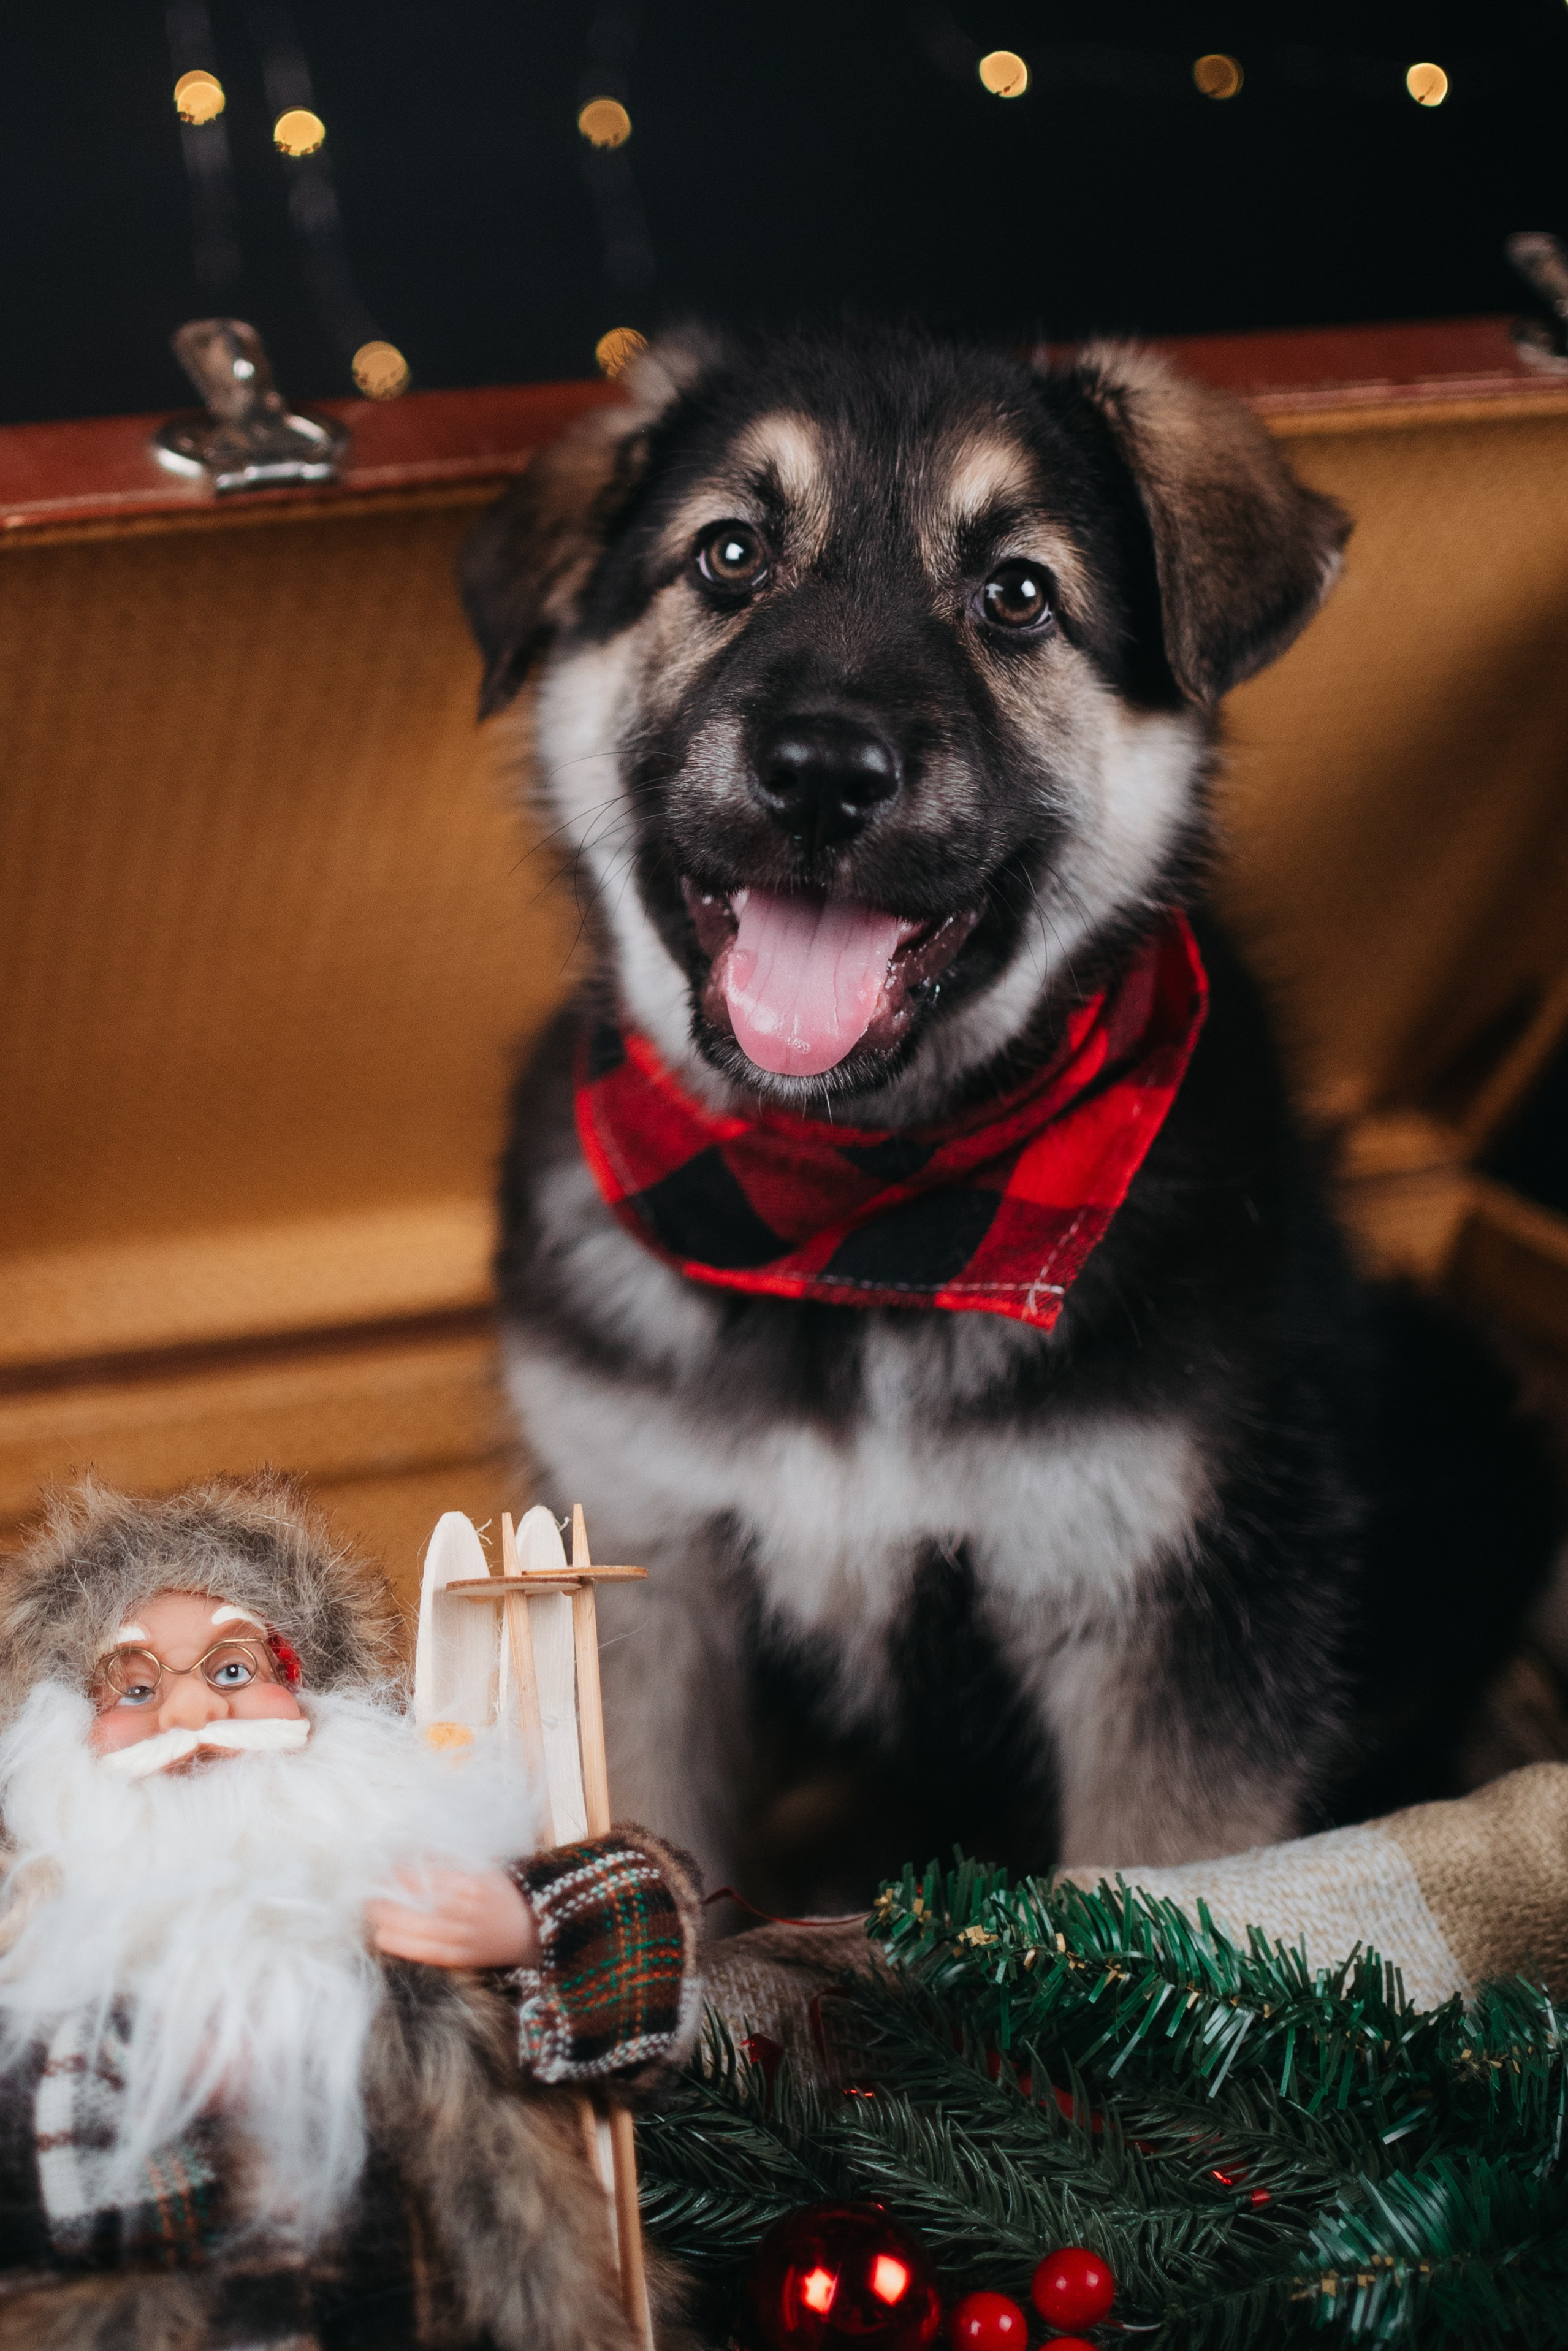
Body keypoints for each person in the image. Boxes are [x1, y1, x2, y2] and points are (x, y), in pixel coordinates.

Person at [0, 1474, 702, 2351]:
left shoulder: (402, 1894)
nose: (192, 1711)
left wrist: (527, 1926)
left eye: (232, 1668)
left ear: (319, 1702)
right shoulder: (43, 1952)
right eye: (134, 1690)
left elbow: (635, 1977)